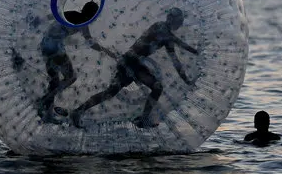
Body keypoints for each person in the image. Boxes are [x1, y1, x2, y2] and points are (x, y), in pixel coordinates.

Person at [70, 7, 198, 128]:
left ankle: (143, 119)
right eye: (179, 21)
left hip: (134, 63)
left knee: (149, 88)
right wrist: (195, 53)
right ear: (171, 19)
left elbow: (175, 59)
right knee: (113, 92)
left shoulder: (167, 36)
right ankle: (79, 111)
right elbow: (177, 44)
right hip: (130, 62)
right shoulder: (161, 27)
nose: (179, 24)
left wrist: (186, 78)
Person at [38, 1, 115, 122]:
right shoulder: (75, 16)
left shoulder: (83, 22)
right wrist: (40, 20)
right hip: (54, 47)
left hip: (47, 44)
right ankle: (45, 101)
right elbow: (55, 16)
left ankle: (47, 112)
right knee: (70, 77)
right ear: (91, 13)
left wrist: (106, 51)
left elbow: (90, 42)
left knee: (55, 80)